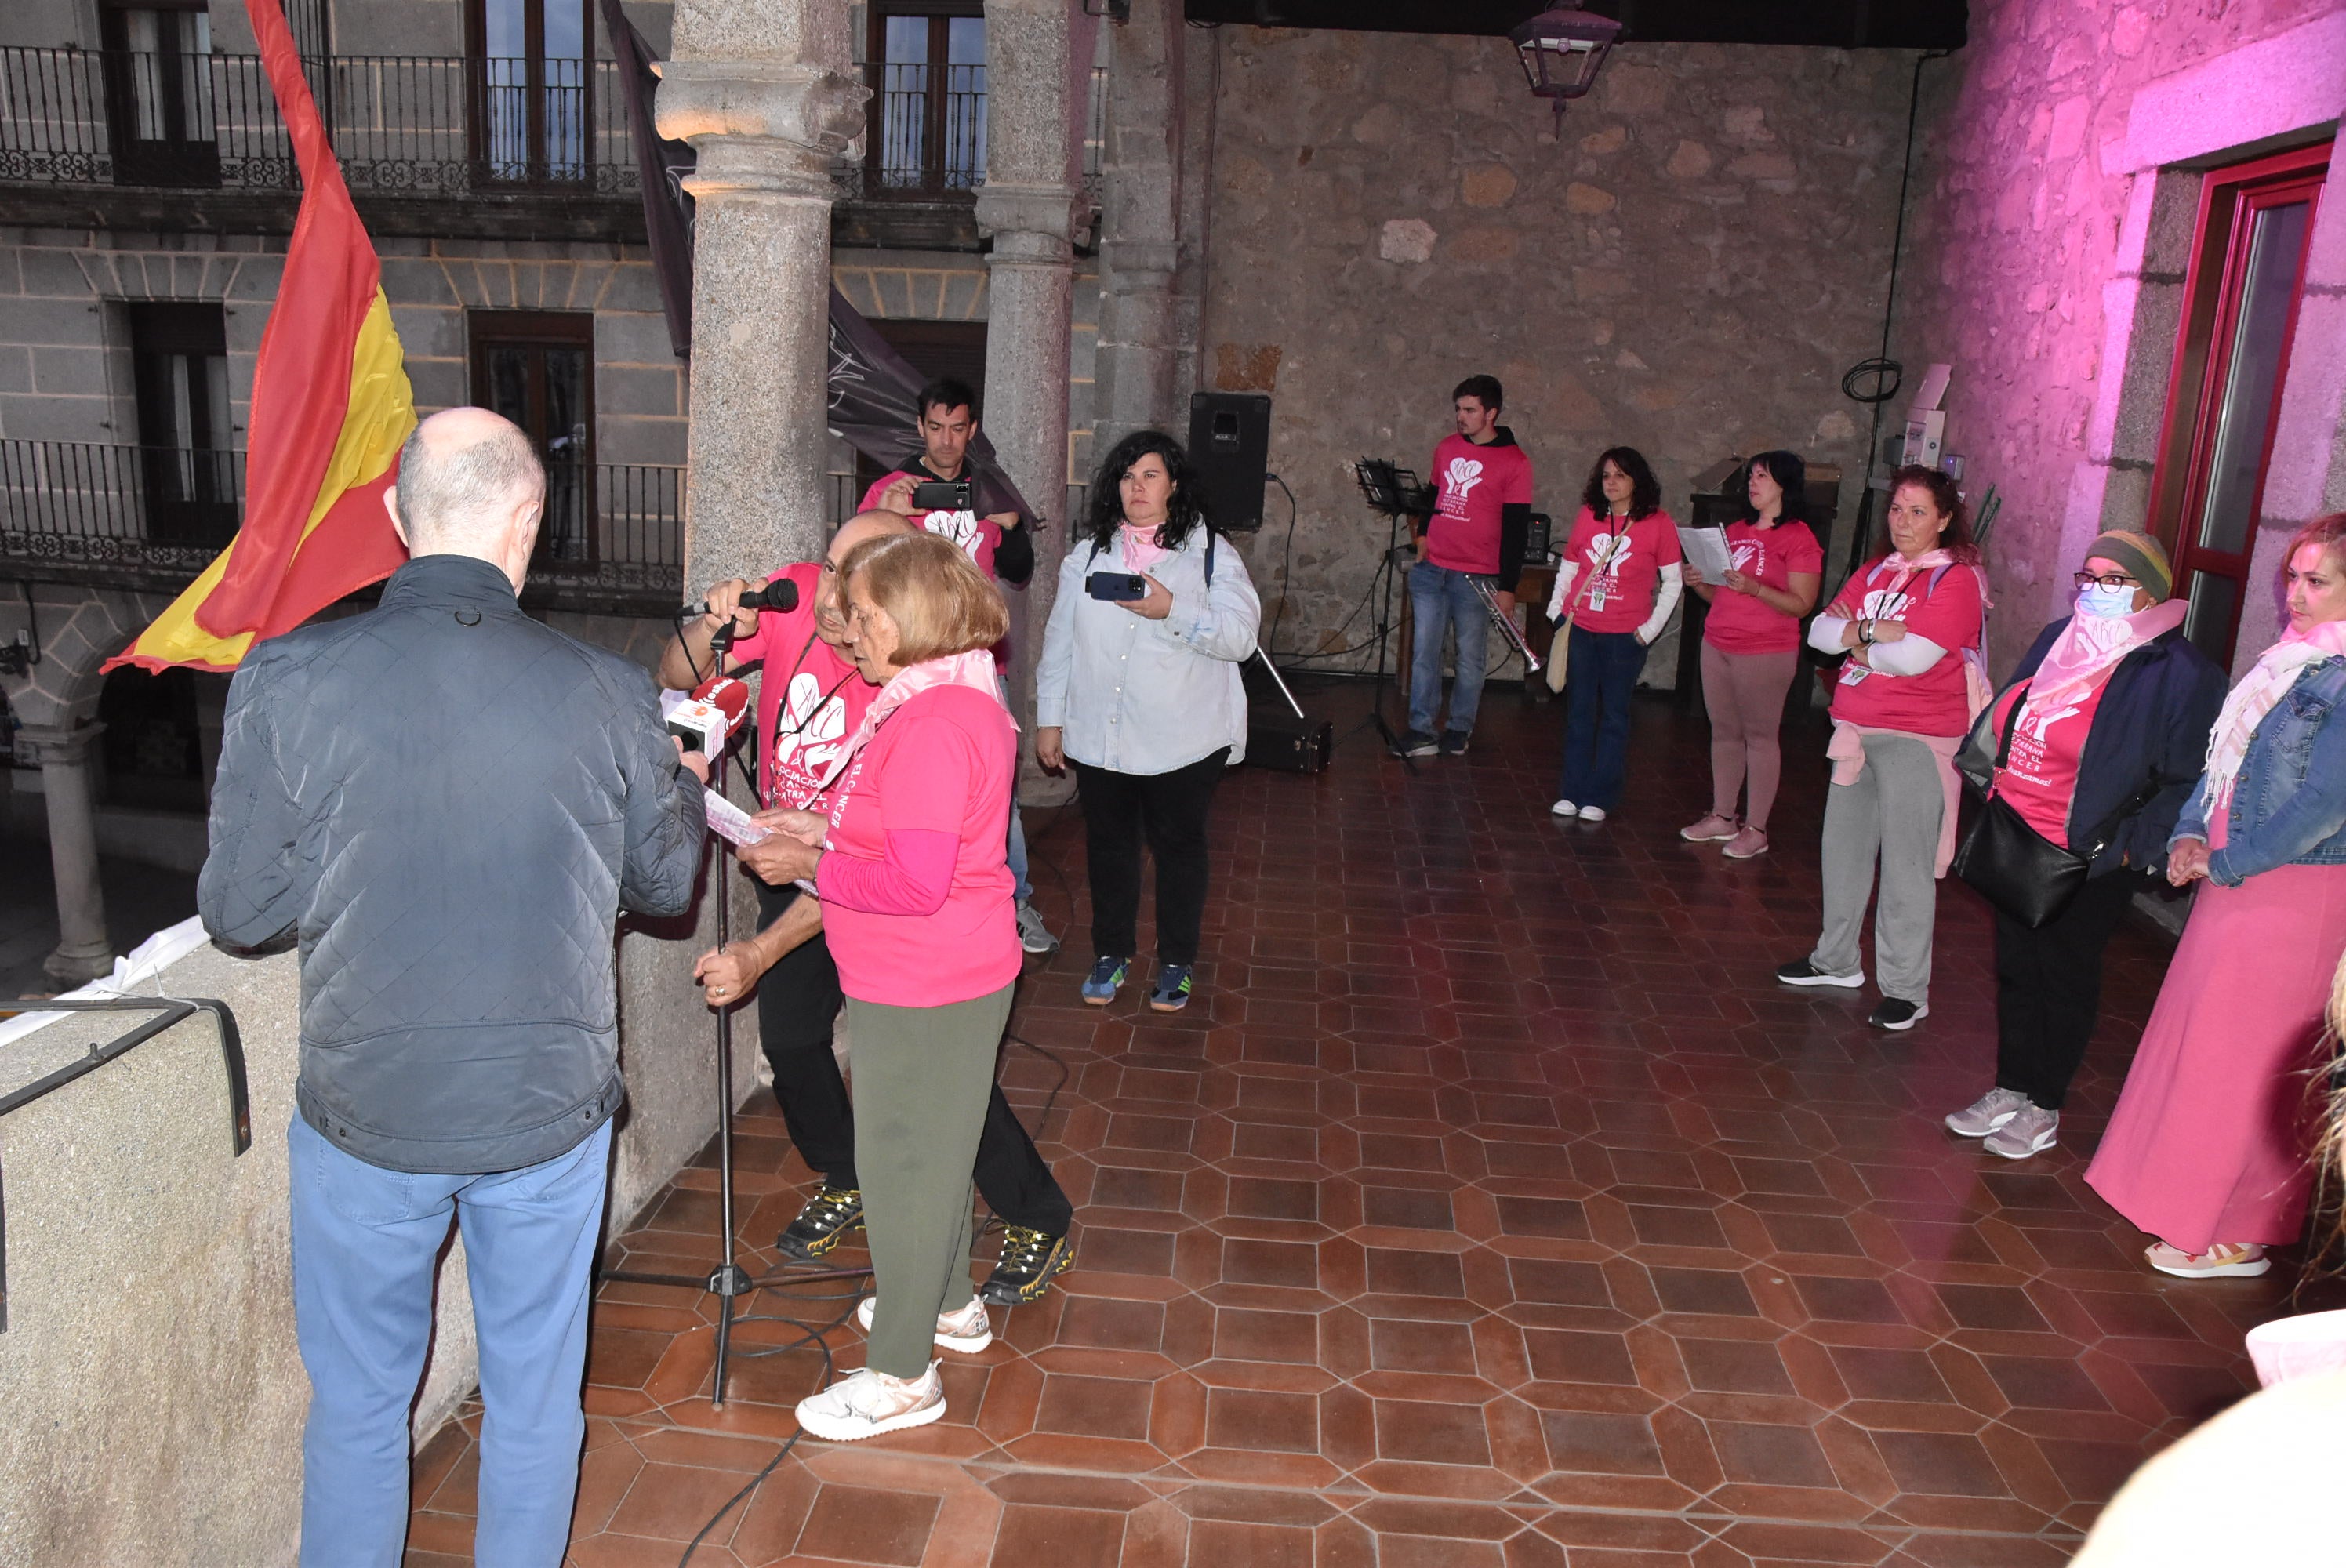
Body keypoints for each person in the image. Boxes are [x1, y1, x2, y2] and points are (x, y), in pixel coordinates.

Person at [198, 408, 707, 1566]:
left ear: (394, 518)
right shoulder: (604, 688)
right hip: (546, 1117)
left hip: (365, 1117)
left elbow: (239, 914)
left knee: (362, 1411)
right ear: (530, 521)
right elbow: (667, 882)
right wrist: (677, 776)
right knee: (534, 1404)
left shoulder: (285, 676)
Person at [669, 510, 1077, 1306]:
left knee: (941, 1086)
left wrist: (764, 941)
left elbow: (904, 867)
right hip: (811, 864)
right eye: (829, 570)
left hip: (862, 894)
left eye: (855, 587)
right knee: (792, 1039)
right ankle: (850, 1175)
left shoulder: (910, 684)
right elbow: (677, 670)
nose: (832, 603)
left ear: (894, 600)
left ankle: (1032, 1213)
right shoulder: (799, 616)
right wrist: (713, 624)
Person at [740, 530, 1023, 1441]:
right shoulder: (940, 694)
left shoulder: (938, 721)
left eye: (860, 614)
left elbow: (915, 882)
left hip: (928, 975)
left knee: (903, 1169)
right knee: (930, 1155)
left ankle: (903, 1372)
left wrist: (808, 865)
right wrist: (819, 830)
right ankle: (947, 1305)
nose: (845, 628)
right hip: (932, 969)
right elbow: (898, 831)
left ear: (909, 614)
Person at [2083, 513, 2346, 1279]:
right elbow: (2220, 760)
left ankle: (2242, 1231)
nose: (2294, 592)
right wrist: (2191, 833)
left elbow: (2326, 805)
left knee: (2255, 1064)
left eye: (2315, 580)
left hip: (2293, 890)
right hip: (2238, 875)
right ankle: (2187, 1204)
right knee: (2205, 1049)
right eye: (2290, 576)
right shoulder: (2289, 661)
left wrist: (2228, 859)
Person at [1942, 532, 2224, 1158]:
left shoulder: (2182, 674)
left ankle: (2044, 1102)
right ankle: (2010, 1086)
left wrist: (2132, 851)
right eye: (2088, 576)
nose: (2093, 591)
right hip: (2020, 828)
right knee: (2017, 967)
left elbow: (2187, 777)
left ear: (2152, 589)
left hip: (2094, 850)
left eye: (2113, 580)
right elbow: (2013, 711)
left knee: (2063, 972)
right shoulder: (2057, 637)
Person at [1036, 429, 1261, 1012]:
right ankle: (1111, 952)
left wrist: (1171, 610)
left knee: (1179, 848)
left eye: (1151, 475)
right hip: (1100, 735)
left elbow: (1240, 639)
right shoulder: (1088, 555)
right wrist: (1050, 720)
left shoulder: (1210, 554)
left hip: (1182, 739)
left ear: (1174, 485)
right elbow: (1060, 641)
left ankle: (1177, 963)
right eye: (1128, 476)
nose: (1138, 487)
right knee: (1109, 846)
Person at [1776, 465, 1986, 1031]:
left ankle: (1906, 989)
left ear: (1944, 520)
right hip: (1855, 734)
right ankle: (1837, 960)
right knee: (1841, 854)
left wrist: (1857, 644)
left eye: (1919, 512)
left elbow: (1915, 660)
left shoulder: (1957, 581)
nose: (1903, 521)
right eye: (1897, 509)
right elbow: (1819, 635)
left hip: (1917, 742)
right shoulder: (1876, 571)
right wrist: (1872, 635)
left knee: (1906, 870)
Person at [862, 376, 1055, 956]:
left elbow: (1018, 571)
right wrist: (893, 516)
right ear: (921, 427)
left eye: (958, 428)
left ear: (973, 429)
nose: (947, 441)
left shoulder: (991, 486)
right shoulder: (892, 488)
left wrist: (1012, 528)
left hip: (975, 664)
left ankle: (1013, 899)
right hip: (904, 662)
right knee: (898, 779)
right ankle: (905, 886)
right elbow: (860, 565)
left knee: (993, 783)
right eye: (936, 427)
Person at [1680, 450, 1823, 858]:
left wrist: (1755, 587)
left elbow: (1802, 604)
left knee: (1760, 737)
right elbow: (1723, 595)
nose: (1752, 484)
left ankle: (1757, 827)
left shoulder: (1799, 538)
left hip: (1765, 651)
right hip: (1718, 642)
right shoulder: (1736, 531)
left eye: (1762, 476)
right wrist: (1699, 583)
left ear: (1785, 484)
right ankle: (1724, 816)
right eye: (1751, 477)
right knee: (1724, 732)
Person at [1395, 373, 1533, 758]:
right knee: (1425, 652)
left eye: (1470, 410)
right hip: (1432, 567)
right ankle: (1421, 729)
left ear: (1492, 413)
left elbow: (1517, 529)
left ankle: (1458, 729)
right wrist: (1421, 534)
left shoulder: (1515, 462)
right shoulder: (1447, 448)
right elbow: (1433, 496)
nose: (1461, 416)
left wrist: (1508, 586)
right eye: (1458, 409)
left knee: (1469, 657)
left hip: (1477, 575)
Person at [1545, 446, 1683, 824]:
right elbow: (1569, 566)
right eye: (1606, 476)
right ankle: (1572, 791)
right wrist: (1556, 611)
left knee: (1614, 717)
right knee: (1578, 713)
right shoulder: (1589, 516)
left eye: (1620, 476)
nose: (1611, 482)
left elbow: (1673, 582)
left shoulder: (1658, 522)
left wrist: (1647, 631)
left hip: (1625, 635)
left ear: (1637, 481)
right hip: (1582, 628)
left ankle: (1601, 794)